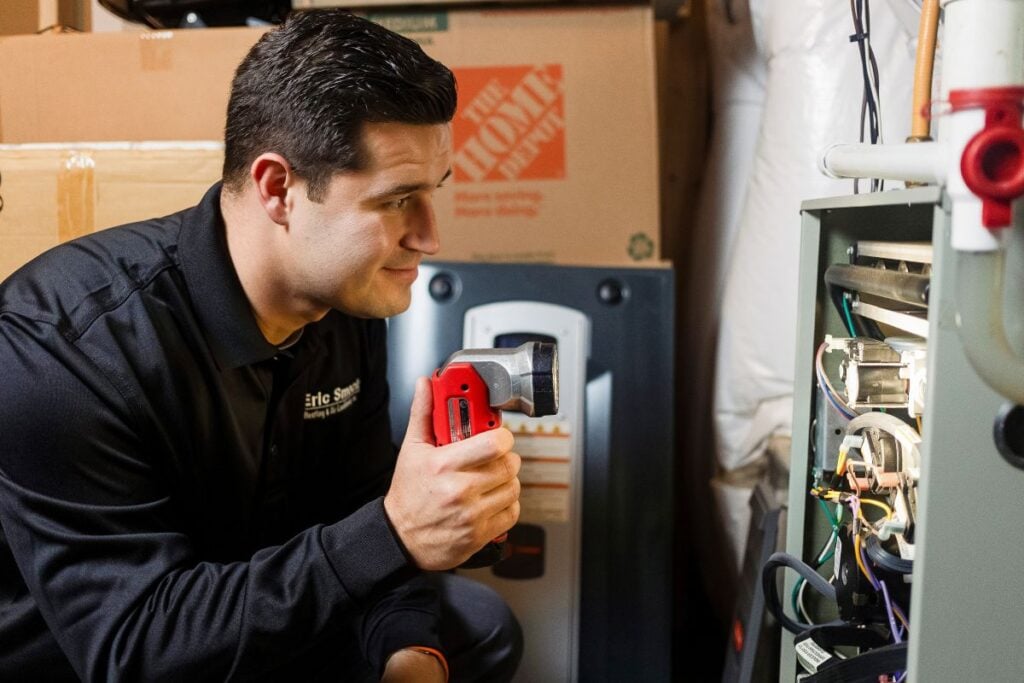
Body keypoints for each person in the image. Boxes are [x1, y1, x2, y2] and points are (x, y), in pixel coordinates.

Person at [0, 9, 524, 682]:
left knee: (475, 630)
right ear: (279, 189)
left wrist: (407, 654)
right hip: (103, 653)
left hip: (257, 609)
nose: (429, 235)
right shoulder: (64, 352)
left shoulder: (344, 299)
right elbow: (131, 649)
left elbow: (360, 516)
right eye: (398, 201)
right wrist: (396, 530)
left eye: (433, 194)